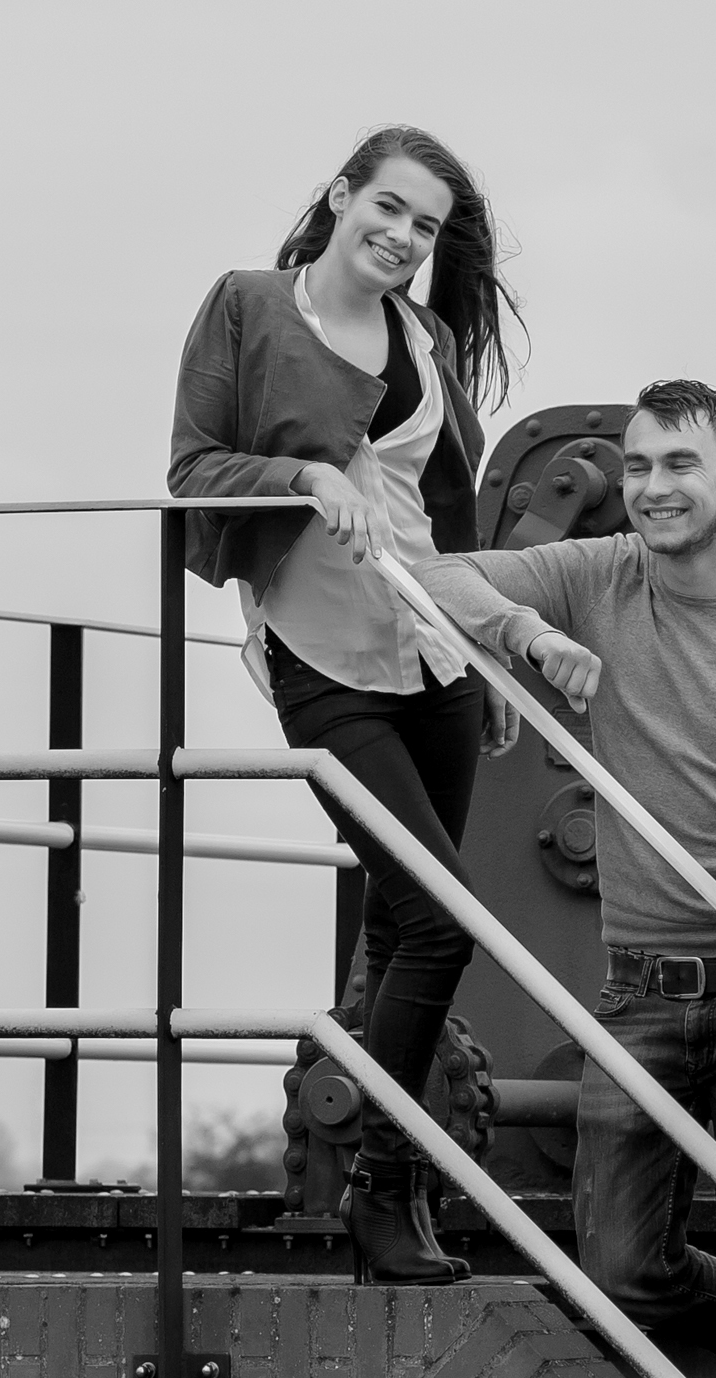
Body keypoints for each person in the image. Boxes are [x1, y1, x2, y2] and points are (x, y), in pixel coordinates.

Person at [414, 381, 716, 1378]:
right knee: (618, 1270)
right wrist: (528, 636)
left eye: (681, 465)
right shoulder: (599, 573)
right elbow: (430, 576)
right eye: (639, 466)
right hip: (639, 991)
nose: (654, 487)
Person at [169, 125, 524, 1285]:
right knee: (440, 917)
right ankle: (384, 1185)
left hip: (433, 656)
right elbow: (191, 472)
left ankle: (388, 1201)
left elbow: (442, 513)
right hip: (322, 660)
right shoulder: (249, 307)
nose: (404, 237)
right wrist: (309, 475)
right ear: (340, 195)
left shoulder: (426, 337)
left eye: (426, 226)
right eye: (389, 207)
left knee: (397, 926)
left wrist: (489, 651)